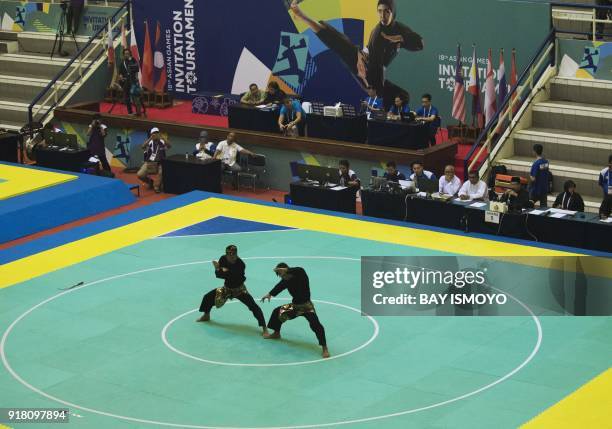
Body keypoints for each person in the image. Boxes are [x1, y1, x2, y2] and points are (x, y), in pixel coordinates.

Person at [290, 0, 423, 110]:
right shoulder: (377, 34)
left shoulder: (399, 28)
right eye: (380, 11)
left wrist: (401, 38)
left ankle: (391, 117)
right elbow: (376, 67)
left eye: (386, 12)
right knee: (339, 42)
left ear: (392, 13)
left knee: (403, 95)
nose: (382, 16)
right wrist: (371, 87)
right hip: (366, 68)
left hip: (370, 68)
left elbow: (419, 44)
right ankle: (302, 15)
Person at [261, 263, 329, 358]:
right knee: (277, 311)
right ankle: (276, 333)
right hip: (295, 306)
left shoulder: (300, 274)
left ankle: (324, 348)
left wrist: (286, 270)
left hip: (307, 307)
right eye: (279, 275)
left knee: (316, 325)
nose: (281, 276)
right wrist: (269, 294)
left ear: (287, 271)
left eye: (282, 274)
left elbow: (300, 269)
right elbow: (279, 287)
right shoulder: (285, 280)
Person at [197, 245, 268, 335]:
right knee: (208, 297)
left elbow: (230, 276)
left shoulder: (240, 265)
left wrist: (219, 269)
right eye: (228, 254)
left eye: (233, 254)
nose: (231, 256)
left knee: (253, 306)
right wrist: (219, 270)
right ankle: (206, 315)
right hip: (227, 288)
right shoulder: (223, 259)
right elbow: (219, 276)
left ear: (236, 254)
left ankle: (264, 328)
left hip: (239, 290)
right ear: (226, 254)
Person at [137, 127, 171, 193]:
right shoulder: (150, 142)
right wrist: (150, 138)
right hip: (150, 162)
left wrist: (163, 138)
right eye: (154, 133)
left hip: (160, 163)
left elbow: (169, 146)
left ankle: (156, 186)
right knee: (140, 174)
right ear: (151, 134)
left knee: (161, 172)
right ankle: (150, 182)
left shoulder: (162, 141)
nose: (155, 135)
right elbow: (143, 147)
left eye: (157, 133)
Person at [118, 48, 142, 116]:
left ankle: (138, 112)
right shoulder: (122, 63)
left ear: (130, 53)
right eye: (125, 54)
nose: (127, 55)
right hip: (126, 82)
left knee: (135, 97)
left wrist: (137, 78)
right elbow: (120, 73)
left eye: (128, 53)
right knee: (127, 97)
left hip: (133, 81)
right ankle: (130, 112)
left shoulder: (133, 60)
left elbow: (137, 70)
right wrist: (121, 76)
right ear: (123, 54)